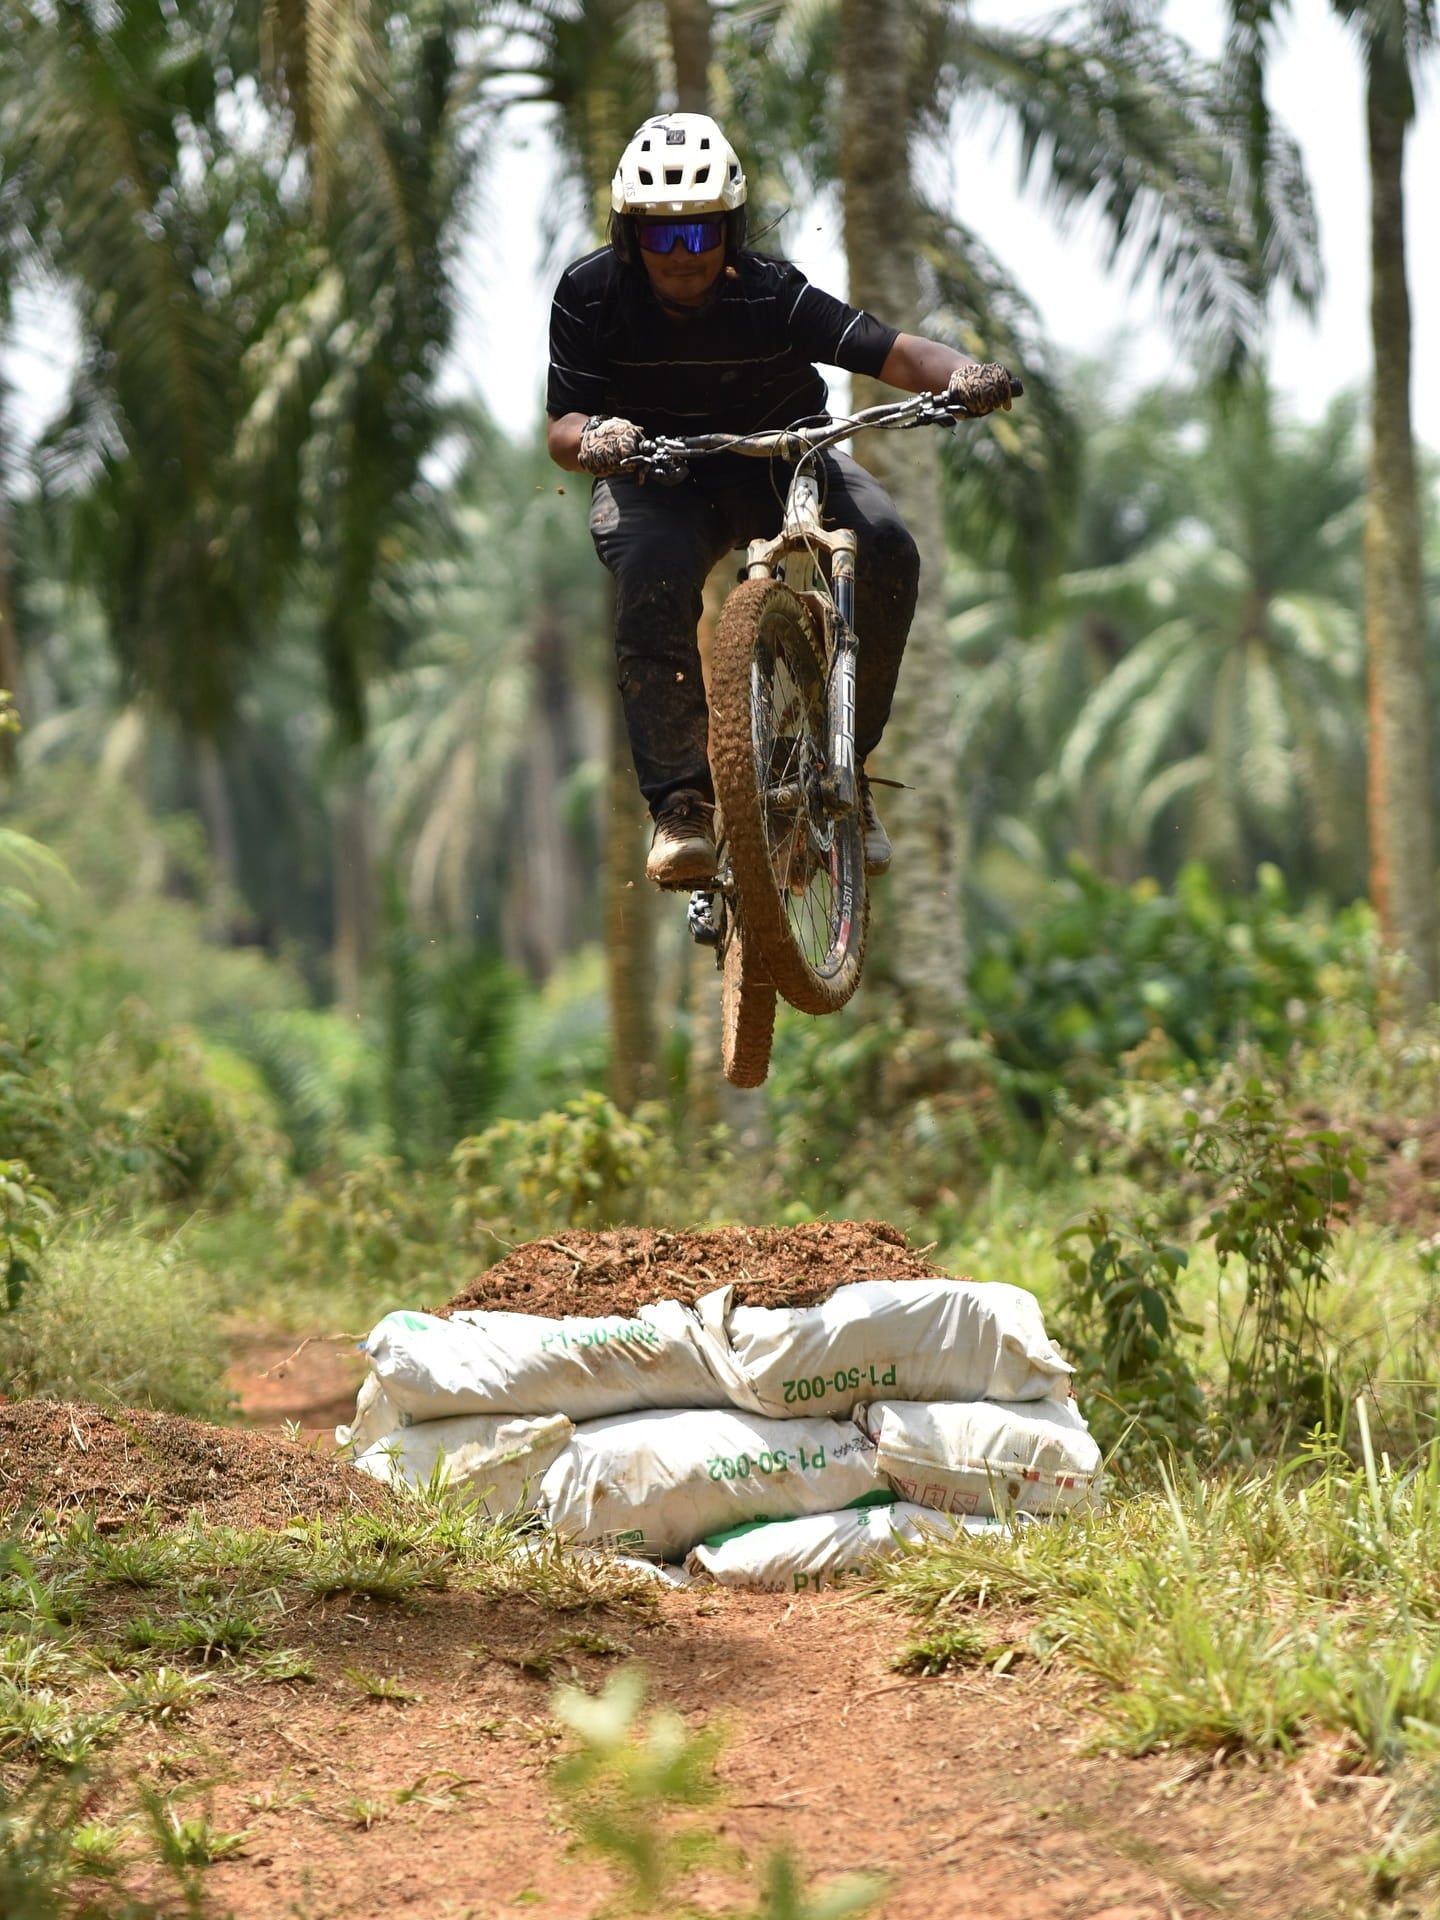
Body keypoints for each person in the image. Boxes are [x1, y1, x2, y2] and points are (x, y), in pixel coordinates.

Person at [546, 112, 1016, 888]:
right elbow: (561, 426)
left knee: (887, 546)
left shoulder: (774, 293)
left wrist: (963, 374)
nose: (683, 257)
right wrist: (594, 436)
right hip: (661, 480)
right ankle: (682, 809)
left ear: (730, 231)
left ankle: (842, 766)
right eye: (662, 237)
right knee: (651, 578)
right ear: (631, 238)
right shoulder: (589, 294)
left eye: (701, 234)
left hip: (786, 458)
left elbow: (892, 350)